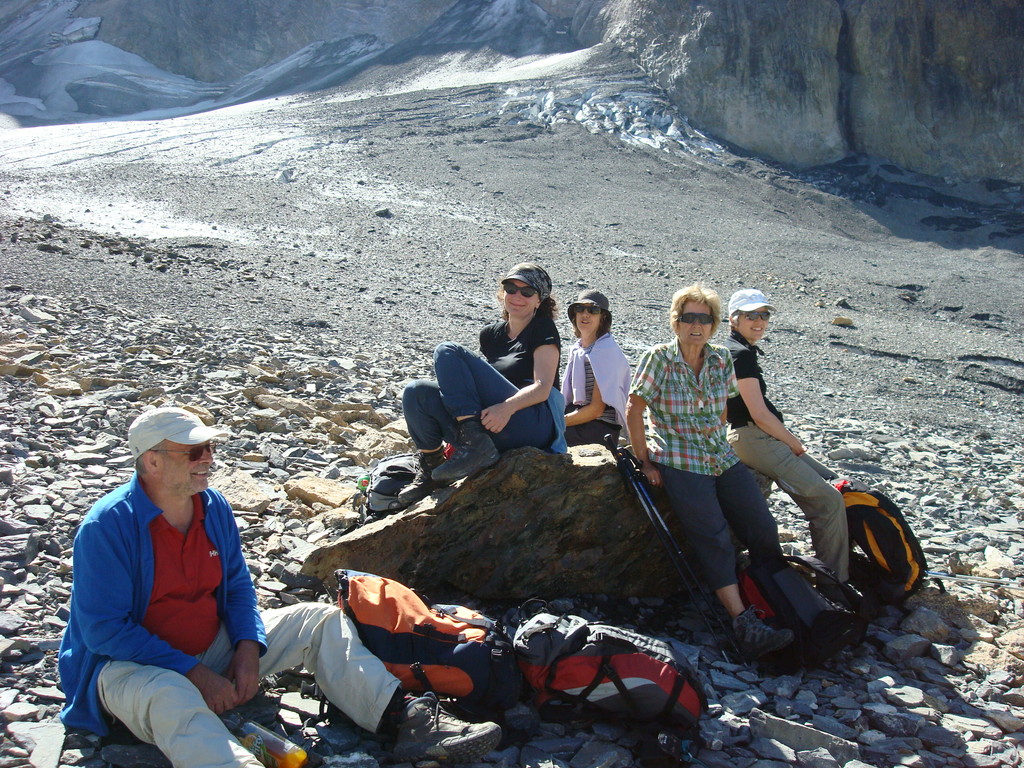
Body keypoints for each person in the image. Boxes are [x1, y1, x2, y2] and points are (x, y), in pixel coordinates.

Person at [58, 407, 501, 767]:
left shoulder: (211, 506)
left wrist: (248, 649)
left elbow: (235, 589)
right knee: (171, 696)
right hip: (128, 669)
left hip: (209, 650)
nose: (208, 459)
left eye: (209, 448)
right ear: (151, 461)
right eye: (194, 452)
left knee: (319, 620)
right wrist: (195, 674)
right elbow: (105, 632)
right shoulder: (108, 527)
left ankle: (401, 718)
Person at [625, 284, 795, 660]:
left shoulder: (720, 359)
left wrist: (713, 432)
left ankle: (775, 595)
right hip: (680, 459)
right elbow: (634, 409)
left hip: (720, 454)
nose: (696, 326)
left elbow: (723, 411)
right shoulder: (658, 358)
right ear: (676, 321)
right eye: (689, 318)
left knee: (761, 524)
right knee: (714, 537)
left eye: (705, 318)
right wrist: (646, 460)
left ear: (715, 324)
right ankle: (743, 624)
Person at [399, 262, 566, 505]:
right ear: (503, 294)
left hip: (533, 423)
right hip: (494, 426)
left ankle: (474, 443)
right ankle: (433, 467)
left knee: (447, 350)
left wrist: (506, 407)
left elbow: (543, 386)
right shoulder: (491, 334)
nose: (517, 296)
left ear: (539, 300)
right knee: (416, 392)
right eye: (511, 289)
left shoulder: (542, 328)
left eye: (527, 292)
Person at [724, 288, 850, 586]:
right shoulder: (739, 355)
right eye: (751, 315)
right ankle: (834, 583)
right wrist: (793, 443)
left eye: (764, 315)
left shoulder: (741, 351)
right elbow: (759, 414)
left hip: (756, 436)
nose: (759, 321)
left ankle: (836, 566)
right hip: (753, 437)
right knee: (829, 501)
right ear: (733, 319)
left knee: (838, 485)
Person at [561, 289, 630, 447]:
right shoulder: (578, 350)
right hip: (579, 419)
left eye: (593, 310)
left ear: (602, 317)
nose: (585, 314)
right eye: (580, 309)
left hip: (599, 428)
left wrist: (557, 422)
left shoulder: (605, 352)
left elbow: (597, 409)